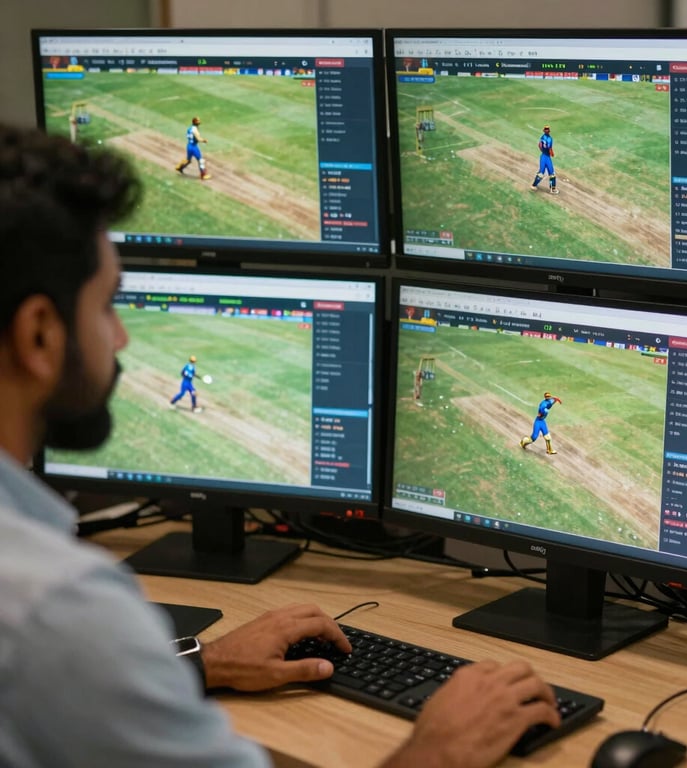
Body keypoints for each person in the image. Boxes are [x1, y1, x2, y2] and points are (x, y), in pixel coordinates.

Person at [0, 122, 561, 768]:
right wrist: (439, 750)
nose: (121, 340)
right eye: (107, 307)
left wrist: (198, 664)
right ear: (39, 335)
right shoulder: (61, 612)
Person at [175, 115, 211, 180]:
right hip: (194, 147)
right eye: (198, 120)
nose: (199, 121)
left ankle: (180, 167)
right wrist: (204, 140)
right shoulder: (195, 130)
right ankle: (203, 175)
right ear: (195, 122)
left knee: (188, 160)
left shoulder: (190, 128)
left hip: (189, 146)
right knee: (201, 160)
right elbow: (198, 139)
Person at [530, 124, 558, 194]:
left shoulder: (542, 137)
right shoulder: (550, 139)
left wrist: (542, 151)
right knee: (551, 174)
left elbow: (539, 145)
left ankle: (534, 185)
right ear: (549, 131)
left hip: (543, 156)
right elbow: (550, 149)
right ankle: (552, 189)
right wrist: (552, 154)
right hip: (547, 157)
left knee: (541, 173)